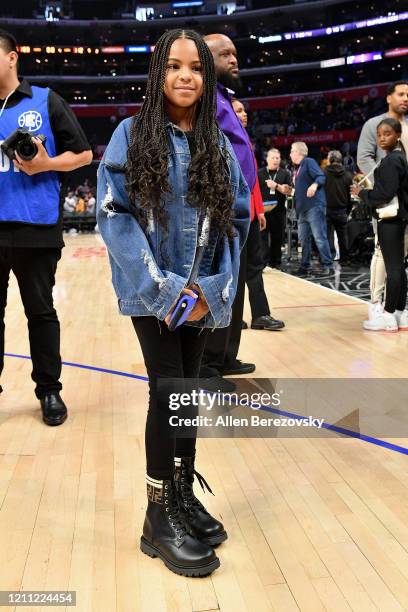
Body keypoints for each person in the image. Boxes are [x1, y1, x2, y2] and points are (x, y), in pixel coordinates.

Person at [97, 29, 250, 577]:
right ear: (158, 73)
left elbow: (236, 222)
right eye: (175, 66)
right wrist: (164, 292)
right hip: (155, 298)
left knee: (187, 396)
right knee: (167, 394)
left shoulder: (218, 144)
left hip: (203, 299)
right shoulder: (131, 134)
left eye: (197, 68)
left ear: (208, 80)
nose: (186, 76)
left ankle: (182, 494)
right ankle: (157, 519)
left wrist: (212, 294)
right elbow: (115, 215)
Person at [0, 30, 92, 424]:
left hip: (35, 228)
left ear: (12, 58)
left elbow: (85, 153)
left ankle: (49, 391)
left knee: (41, 313)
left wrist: (45, 164)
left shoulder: (45, 100)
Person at [197, 33, 256, 384]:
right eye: (225, 54)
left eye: (235, 53)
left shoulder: (226, 99)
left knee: (236, 287)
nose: (234, 59)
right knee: (218, 283)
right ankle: (206, 363)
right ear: (207, 60)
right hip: (218, 205)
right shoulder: (206, 99)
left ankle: (225, 356)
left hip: (239, 206)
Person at [231, 99, 285, 331]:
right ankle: (233, 319)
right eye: (238, 111)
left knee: (255, 265)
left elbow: (252, 183)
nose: (245, 115)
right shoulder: (226, 141)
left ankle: (261, 315)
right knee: (234, 269)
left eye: (244, 110)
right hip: (233, 216)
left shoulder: (245, 142)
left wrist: (259, 210)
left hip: (251, 215)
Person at [357, 81, 408, 322]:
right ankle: (376, 302)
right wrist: (381, 186)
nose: (405, 98)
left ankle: (397, 308)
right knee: (381, 253)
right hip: (385, 201)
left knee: (399, 259)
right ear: (389, 97)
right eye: (401, 94)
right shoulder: (372, 124)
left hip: (402, 202)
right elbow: (364, 157)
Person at [281, 142, 333, 275]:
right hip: (303, 209)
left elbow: (321, 177)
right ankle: (305, 266)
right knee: (304, 239)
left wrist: (314, 185)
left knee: (319, 237)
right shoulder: (298, 168)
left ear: (298, 152)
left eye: (292, 151)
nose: (290, 154)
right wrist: (291, 190)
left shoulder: (308, 162)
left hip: (314, 206)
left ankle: (328, 266)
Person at [258, 147, 291, 269]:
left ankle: (276, 263)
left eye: (277, 158)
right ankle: (262, 263)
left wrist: (276, 185)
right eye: (272, 158)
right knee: (262, 238)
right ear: (267, 159)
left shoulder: (285, 173)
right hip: (263, 212)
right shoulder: (260, 173)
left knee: (278, 237)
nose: (275, 160)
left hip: (279, 212)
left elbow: (288, 191)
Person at [324, 150, 353, 263]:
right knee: (343, 237)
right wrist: (347, 210)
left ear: (330, 160)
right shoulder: (348, 175)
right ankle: (344, 259)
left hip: (326, 210)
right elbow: (350, 196)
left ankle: (327, 259)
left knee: (325, 237)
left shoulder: (323, 173)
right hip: (342, 211)